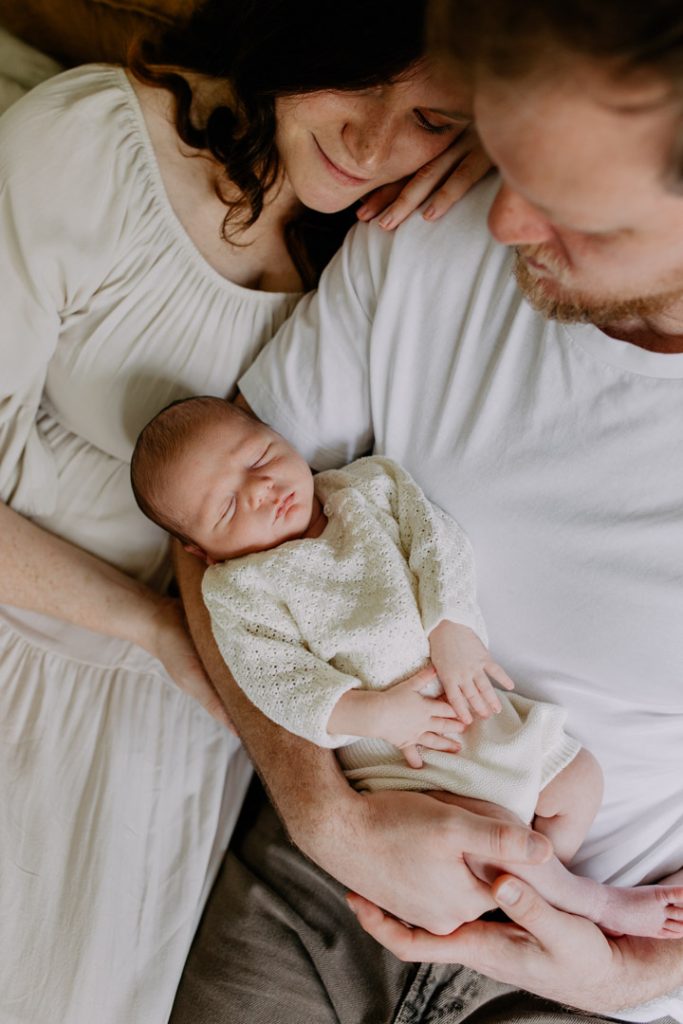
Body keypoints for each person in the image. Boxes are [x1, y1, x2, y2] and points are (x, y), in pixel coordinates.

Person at [169, 3, 683, 1023]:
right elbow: (213, 539)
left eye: (569, 208)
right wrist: (328, 818)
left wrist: (632, 975)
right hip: (321, 876)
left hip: (590, 967)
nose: (504, 222)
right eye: (507, 155)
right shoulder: (430, 233)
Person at [0, 2, 489, 1020]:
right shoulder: (93, 145)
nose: (370, 139)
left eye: (430, 120)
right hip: (33, 647)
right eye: (359, 81)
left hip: (196, 728)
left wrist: (493, 151)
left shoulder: (374, 261)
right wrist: (155, 628)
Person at [131, 393, 683, 942]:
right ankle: (595, 905)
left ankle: (538, 886)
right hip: (409, 763)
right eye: (226, 507)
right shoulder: (239, 591)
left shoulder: (368, 486)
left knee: (580, 780)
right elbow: (278, 682)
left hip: (478, 710)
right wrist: (373, 714)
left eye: (259, 458)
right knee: (499, 836)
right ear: (203, 552)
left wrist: (450, 626)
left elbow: (435, 544)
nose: (261, 490)